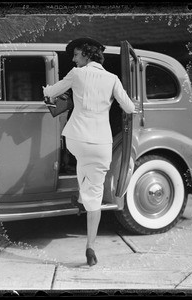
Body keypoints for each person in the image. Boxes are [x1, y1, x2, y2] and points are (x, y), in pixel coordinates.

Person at [43, 37, 137, 266]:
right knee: (94, 193)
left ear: (86, 54)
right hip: (101, 143)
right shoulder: (112, 78)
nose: (74, 59)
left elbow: (52, 92)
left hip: (76, 138)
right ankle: (90, 247)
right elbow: (130, 108)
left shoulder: (76, 74)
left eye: (76, 55)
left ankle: (81, 193)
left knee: (80, 163)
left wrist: (46, 90)